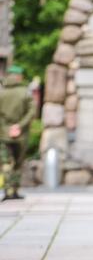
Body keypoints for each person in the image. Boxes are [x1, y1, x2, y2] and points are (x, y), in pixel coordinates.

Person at [0, 65, 35, 201]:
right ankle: (14, 190)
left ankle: (8, 190)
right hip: (21, 134)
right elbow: (32, 111)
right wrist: (19, 126)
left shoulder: (1, 92)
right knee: (18, 162)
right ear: (19, 76)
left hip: (3, 134)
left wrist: (6, 128)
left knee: (6, 163)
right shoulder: (25, 92)